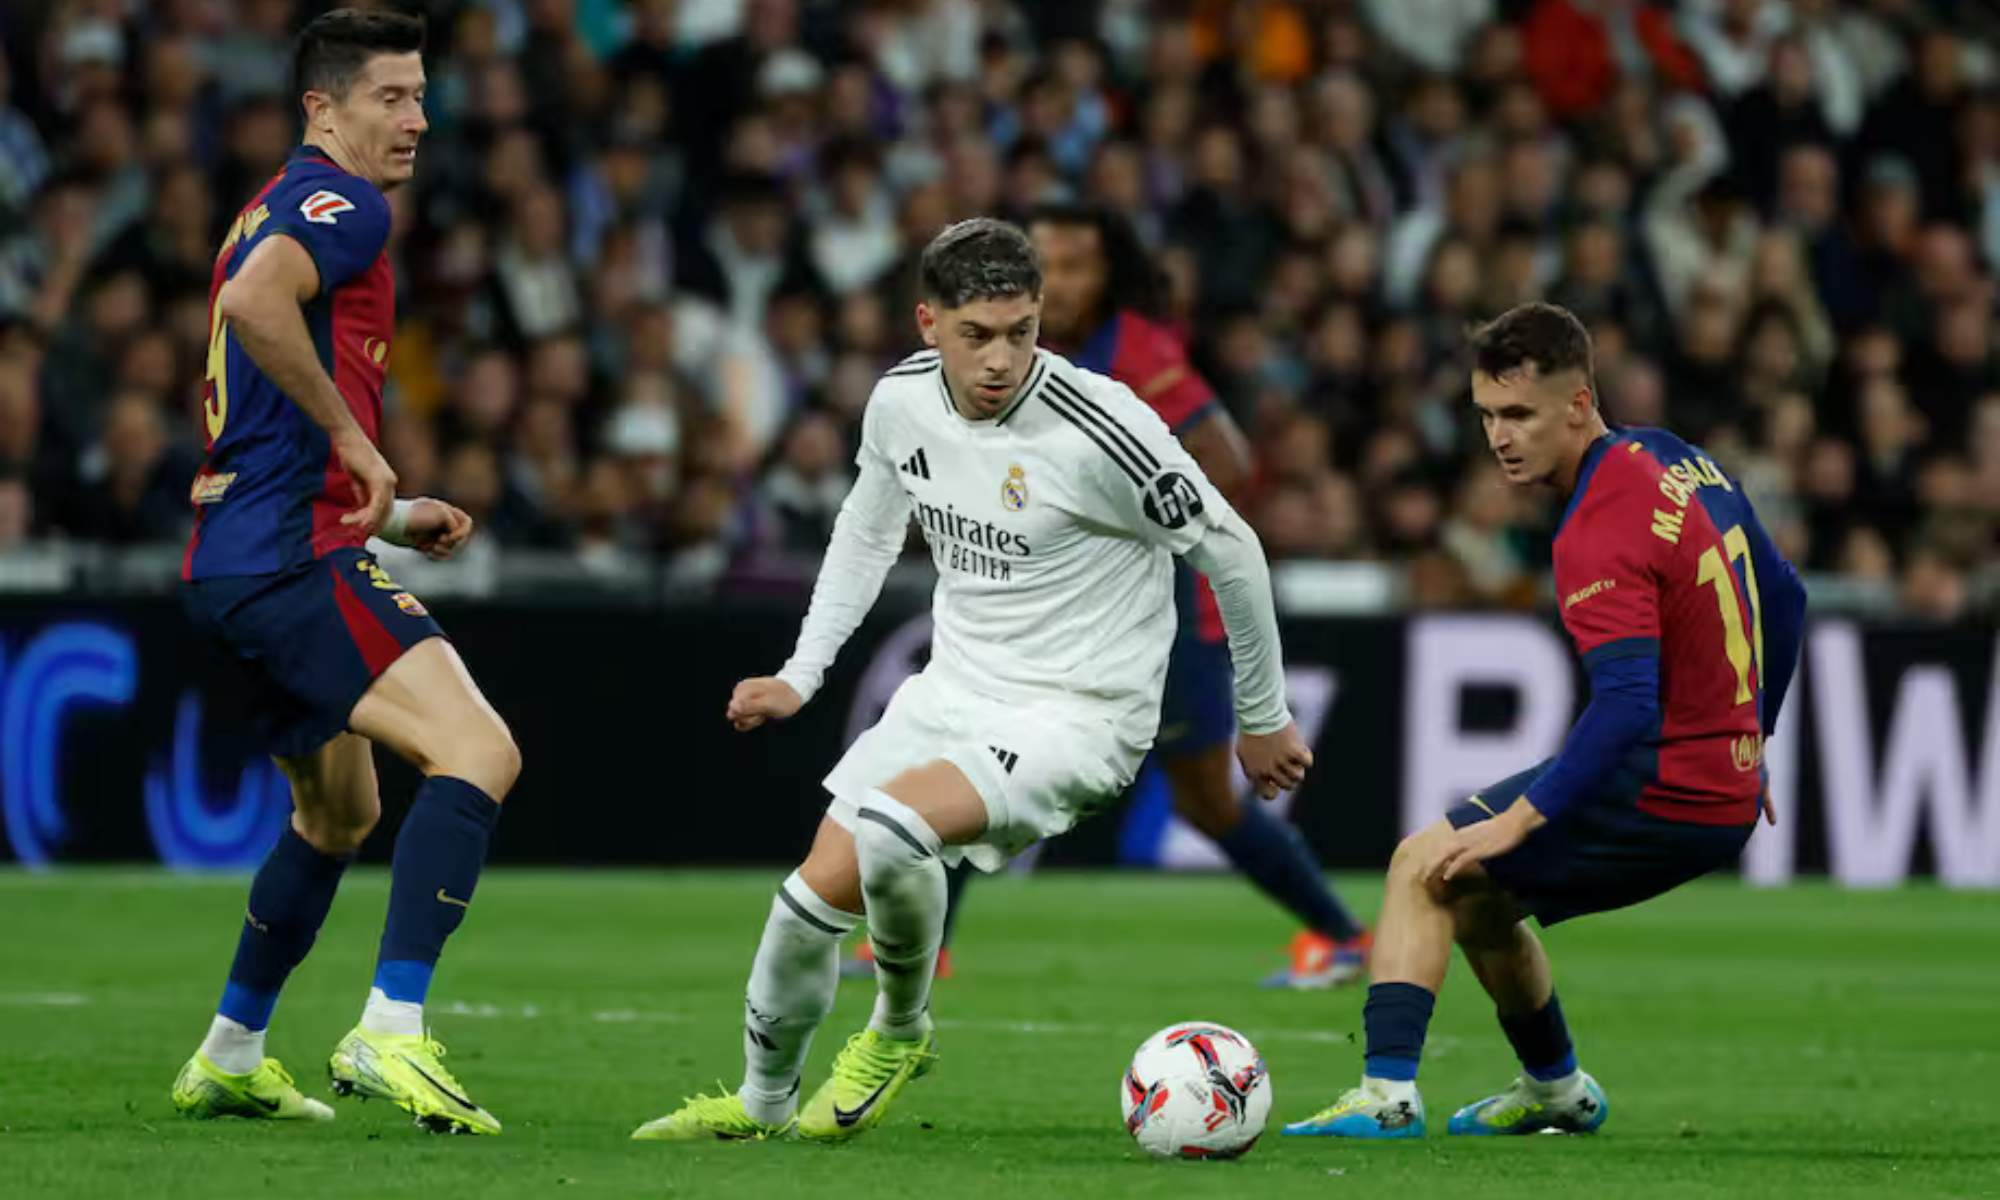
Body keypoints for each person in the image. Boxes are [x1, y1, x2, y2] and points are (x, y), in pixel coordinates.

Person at [632, 218, 1312, 1143]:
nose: (1001, 359)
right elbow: (869, 531)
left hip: (1079, 718)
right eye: (977, 335)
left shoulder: (1102, 429)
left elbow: (1233, 550)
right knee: (802, 904)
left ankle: (900, 1030)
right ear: (928, 323)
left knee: (893, 828)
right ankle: (760, 1106)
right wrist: (801, 674)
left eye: (1022, 331)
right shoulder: (901, 402)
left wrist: (1261, 715)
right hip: (951, 694)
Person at [1284, 302, 1806, 1139]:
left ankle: (1385, 1096)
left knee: (1426, 861)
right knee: (1483, 905)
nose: (1500, 437)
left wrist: (1520, 821)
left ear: (1578, 401)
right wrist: (1759, 736)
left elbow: (1628, 702)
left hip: (1667, 779)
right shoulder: (1677, 458)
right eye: (1487, 414)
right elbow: (1785, 597)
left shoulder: (1596, 530)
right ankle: (1557, 1091)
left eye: (1520, 415)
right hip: (1721, 783)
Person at [843, 203, 1369, 989]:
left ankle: (1344, 935)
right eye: (1043, 262)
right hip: (1077, 611)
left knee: (1195, 803)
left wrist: (1118, 521)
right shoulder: (1026, 346)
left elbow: (1225, 463)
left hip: (1161, 618)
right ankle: (922, 943)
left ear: (1109, 274)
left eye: (1077, 265)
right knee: (1004, 754)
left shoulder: (1137, 350)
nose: (1056, 281)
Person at [169, 9, 519, 1137]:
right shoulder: (342, 202)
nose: (415, 119)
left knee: (338, 811)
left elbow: (260, 371)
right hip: (286, 552)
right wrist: (363, 452)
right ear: (322, 108)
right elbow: (252, 306)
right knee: (478, 750)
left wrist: (390, 507)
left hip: (238, 545)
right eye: (388, 97)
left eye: (421, 96)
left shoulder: (272, 206)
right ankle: (392, 1026)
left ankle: (229, 1051)